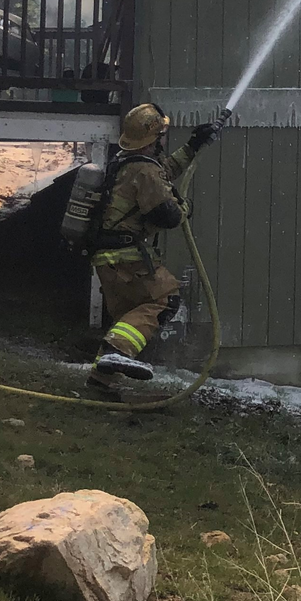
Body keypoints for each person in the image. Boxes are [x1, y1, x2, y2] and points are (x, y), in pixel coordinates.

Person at [86, 103, 224, 395]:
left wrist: (193, 145)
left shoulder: (126, 162)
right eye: (161, 135)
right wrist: (184, 208)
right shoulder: (144, 171)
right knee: (165, 300)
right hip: (128, 260)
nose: (163, 140)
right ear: (153, 138)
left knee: (129, 320)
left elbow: (164, 172)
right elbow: (167, 215)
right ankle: (117, 355)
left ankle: (102, 380)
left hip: (108, 259)